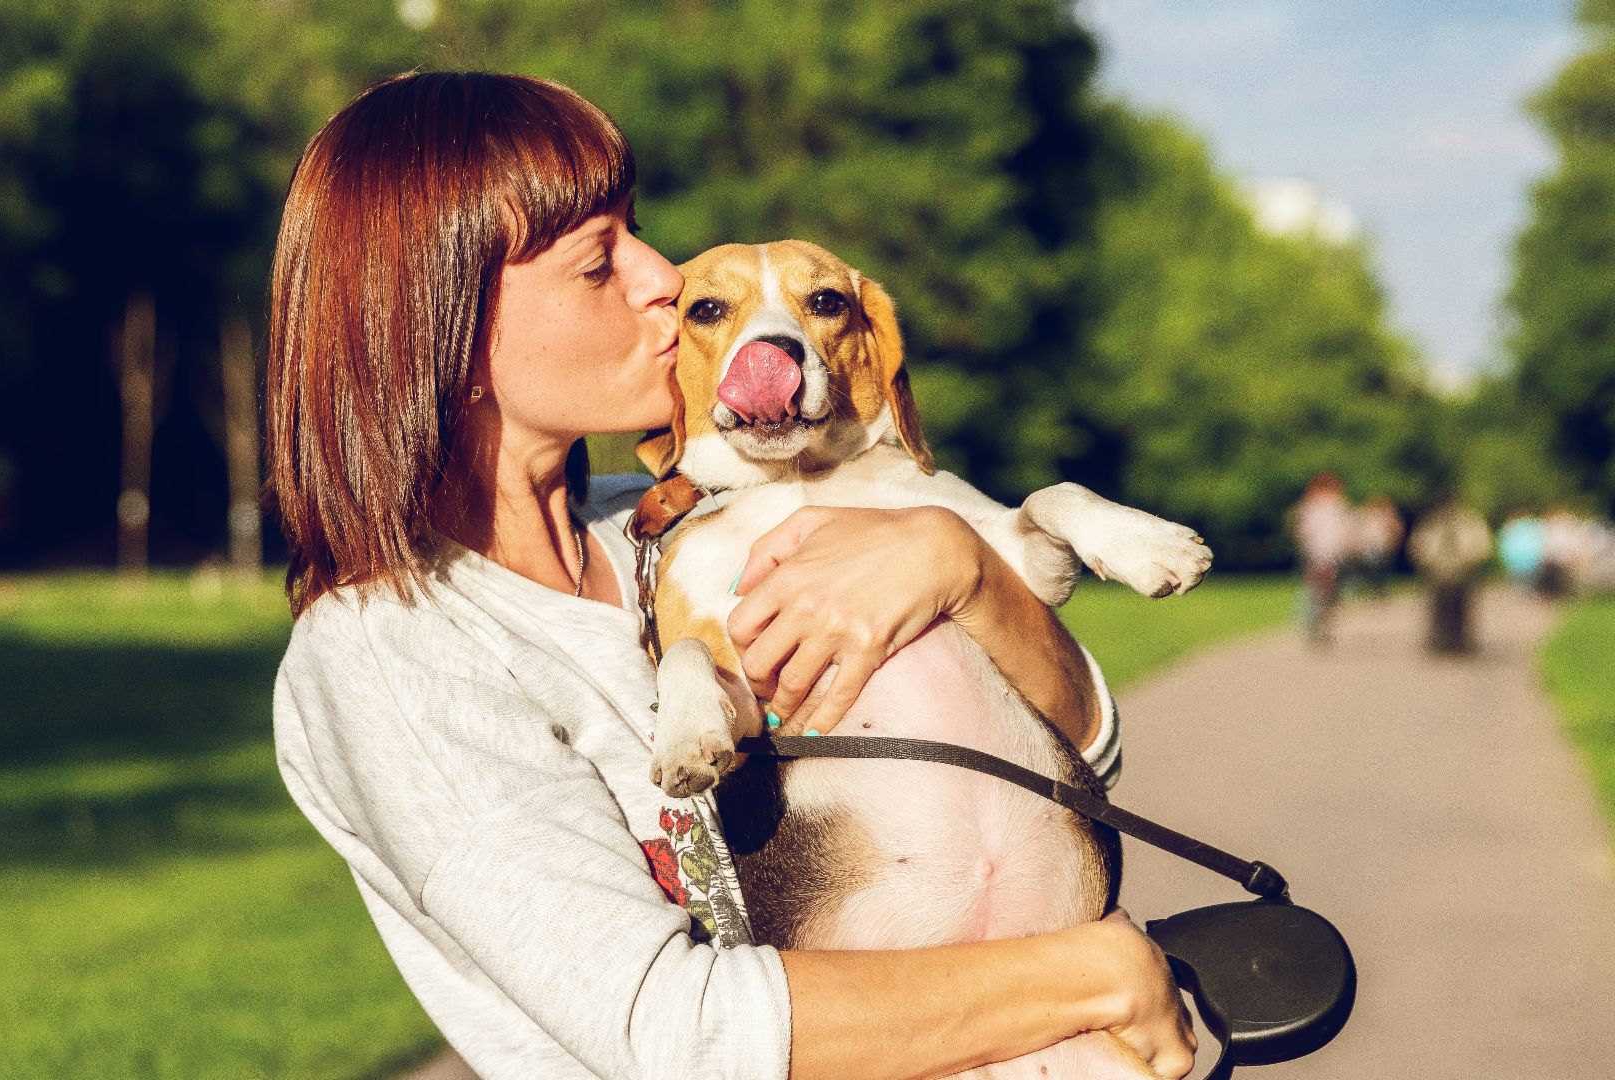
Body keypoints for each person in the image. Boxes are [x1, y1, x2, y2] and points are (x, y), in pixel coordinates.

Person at [265, 72, 1194, 1080]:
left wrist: (959, 564)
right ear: (444, 327)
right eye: (596, 262)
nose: (662, 276)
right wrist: (1087, 975)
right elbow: (673, 1035)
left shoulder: (676, 526)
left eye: (638, 230)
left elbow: (1080, 763)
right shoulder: (393, 651)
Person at [1406, 495, 1491, 654]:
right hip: (1438, 571)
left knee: (1461, 609)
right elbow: (1420, 543)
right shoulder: (1433, 522)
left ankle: (1461, 641)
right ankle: (1439, 640)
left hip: (1462, 570)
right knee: (1439, 609)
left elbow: (1481, 542)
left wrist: (1472, 556)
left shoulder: (1469, 520)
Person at [1289, 473, 1354, 643]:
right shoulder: (1335, 506)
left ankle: (1314, 623)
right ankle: (1317, 623)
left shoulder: (1310, 506)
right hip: (1326, 554)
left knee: (1317, 590)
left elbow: (1301, 531)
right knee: (1325, 592)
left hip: (1318, 554)